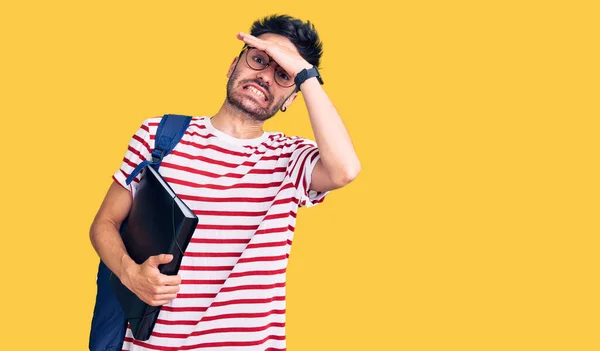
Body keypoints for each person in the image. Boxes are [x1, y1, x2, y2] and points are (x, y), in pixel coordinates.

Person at [90, 14, 360, 351]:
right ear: (234, 64)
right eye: (259, 59)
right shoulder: (158, 135)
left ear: (293, 98)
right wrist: (131, 275)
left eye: (283, 74)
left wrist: (305, 74)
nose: (265, 77)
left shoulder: (291, 159)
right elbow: (105, 222)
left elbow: (345, 170)